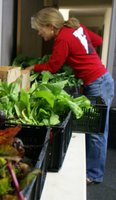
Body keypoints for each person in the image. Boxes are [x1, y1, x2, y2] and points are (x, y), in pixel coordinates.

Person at [26, 7, 114, 185]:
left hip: (98, 84)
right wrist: (84, 53)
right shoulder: (77, 28)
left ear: (51, 26)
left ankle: (94, 174)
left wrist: (32, 68)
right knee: (93, 128)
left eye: (40, 29)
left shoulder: (63, 38)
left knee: (98, 132)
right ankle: (91, 170)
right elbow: (96, 40)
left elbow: (52, 67)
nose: (39, 33)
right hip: (100, 81)